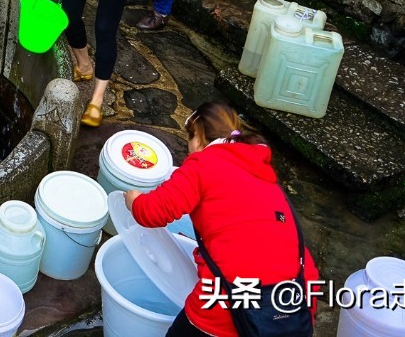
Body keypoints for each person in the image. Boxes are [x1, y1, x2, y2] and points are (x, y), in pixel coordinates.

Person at [124, 102, 319, 337]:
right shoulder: (263, 172)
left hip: (232, 300)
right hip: (298, 300)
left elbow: (153, 212)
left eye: (189, 141)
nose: (189, 151)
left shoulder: (203, 163)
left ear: (198, 136)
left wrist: (134, 199)